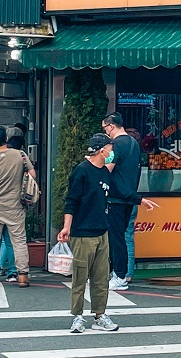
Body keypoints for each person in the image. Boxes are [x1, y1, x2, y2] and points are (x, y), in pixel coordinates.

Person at [59, 133, 119, 334]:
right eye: (110, 148)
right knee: (80, 278)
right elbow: (71, 201)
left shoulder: (104, 172)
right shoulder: (81, 172)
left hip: (102, 232)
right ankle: (77, 316)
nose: (112, 152)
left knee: (101, 278)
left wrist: (139, 200)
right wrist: (67, 226)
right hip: (82, 233)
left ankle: (100, 315)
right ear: (101, 150)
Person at [101, 112, 159, 291]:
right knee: (123, 238)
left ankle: (118, 275)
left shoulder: (115, 145)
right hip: (129, 197)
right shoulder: (134, 143)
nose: (105, 132)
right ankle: (121, 274)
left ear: (111, 126)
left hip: (115, 197)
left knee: (116, 238)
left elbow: (106, 169)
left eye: (105, 128)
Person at [0, 126, 36, 288]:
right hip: (15, 205)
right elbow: (32, 175)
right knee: (18, 240)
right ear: (6, 139)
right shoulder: (20, 155)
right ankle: (23, 275)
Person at [124, 128, 143, 284]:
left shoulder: (122, 161)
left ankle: (123, 272)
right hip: (133, 199)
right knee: (128, 238)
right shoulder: (137, 159)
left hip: (123, 201)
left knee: (122, 237)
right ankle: (128, 272)